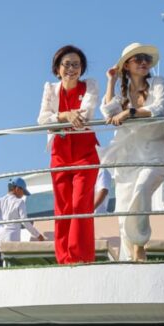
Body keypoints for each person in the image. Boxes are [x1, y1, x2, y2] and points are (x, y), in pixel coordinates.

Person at [100, 43, 164, 261]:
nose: (144, 62)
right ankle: (130, 255)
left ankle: (140, 245)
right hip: (128, 153)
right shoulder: (122, 91)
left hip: (156, 149)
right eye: (138, 59)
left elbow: (160, 109)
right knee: (123, 207)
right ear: (126, 65)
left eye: (147, 59)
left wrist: (129, 113)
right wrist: (111, 80)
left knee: (141, 188)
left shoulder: (159, 82)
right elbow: (108, 112)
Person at [38, 44, 100, 264]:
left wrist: (61, 117)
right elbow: (42, 119)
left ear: (82, 68)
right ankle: (63, 258)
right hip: (60, 155)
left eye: (76, 64)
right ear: (57, 68)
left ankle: (79, 257)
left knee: (80, 205)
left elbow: (86, 113)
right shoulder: (50, 89)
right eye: (67, 64)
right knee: (62, 207)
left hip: (85, 153)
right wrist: (64, 116)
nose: (71, 69)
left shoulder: (89, 86)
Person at [0, 177, 45, 268]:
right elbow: (25, 222)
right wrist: (38, 235)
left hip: (0, 241)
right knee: (11, 267)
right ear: (17, 188)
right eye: (23, 191)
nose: (23, 195)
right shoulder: (19, 202)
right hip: (12, 241)